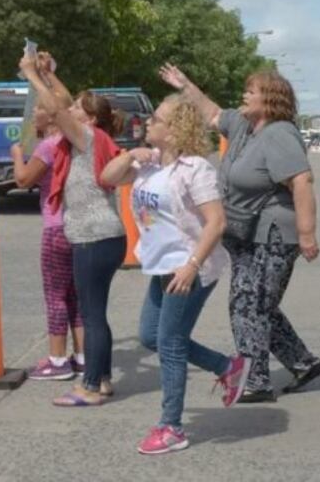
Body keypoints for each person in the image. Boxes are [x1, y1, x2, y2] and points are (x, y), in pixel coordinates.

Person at [160, 64, 320, 402]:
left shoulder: (280, 134)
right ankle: (303, 363)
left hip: (273, 234)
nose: (244, 93)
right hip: (243, 234)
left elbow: (302, 182)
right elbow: (212, 112)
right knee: (260, 304)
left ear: (271, 99)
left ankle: (256, 380)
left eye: (252, 90)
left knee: (248, 304)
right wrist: (185, 84)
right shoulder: (242, 126)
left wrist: (307, 234)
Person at [101, 95, 251, 454]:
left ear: (175, 129)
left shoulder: (195, 169)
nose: (148, 122)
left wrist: (192, 265)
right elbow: (106, 178)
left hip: (189, 267)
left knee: (169, 342)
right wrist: (131, 155)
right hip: (160, 265)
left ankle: (171, 427)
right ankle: (227, 366)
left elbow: (217, 222)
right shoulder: (149, 166)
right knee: (150, 336)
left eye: (156, 119)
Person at [19, 52, 126, 406]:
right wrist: (49, 74)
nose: (70, 110)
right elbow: (62, 103)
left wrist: (32, 77)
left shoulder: (87, 137)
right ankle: (104, 378)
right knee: (96, 313)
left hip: (93, 238)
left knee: (91, 315)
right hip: (104, 236)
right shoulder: (93, 138)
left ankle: (90, 386)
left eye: (79, 108)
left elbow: (56, 108)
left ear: (90, 118)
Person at [11, 73, 85, 380]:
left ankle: (57, 360)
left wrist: (17, 156)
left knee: (55, 294)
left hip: (56, 228)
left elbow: (24, 179)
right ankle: (83, 356)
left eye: (36, 111)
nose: (32, 118)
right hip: (78, 226)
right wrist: (50, 75)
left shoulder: (48, 147)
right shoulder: (73, 140)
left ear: (48, 115)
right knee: (76, 295)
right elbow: (65, 102)